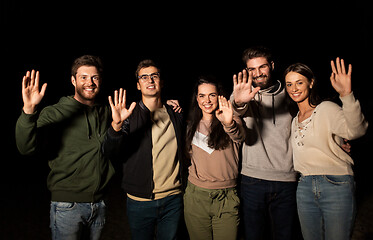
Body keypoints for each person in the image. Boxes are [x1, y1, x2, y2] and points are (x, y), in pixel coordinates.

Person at [15, 55, 115, 240]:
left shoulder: (107, 111)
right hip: (67, 205)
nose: (89, 83)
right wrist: (28, 111)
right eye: (83, 77)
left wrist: (166, 104)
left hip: (99, 203)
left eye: (94, 77)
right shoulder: (56, 112)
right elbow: (25, 148)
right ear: (73, 80)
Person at [284, 58, 368, 240]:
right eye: (289, 84)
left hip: (335, 184)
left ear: (311, 83)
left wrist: (347, 95)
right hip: (304, 186)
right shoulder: (294, 119)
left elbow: (356, 130)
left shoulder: (326, 108)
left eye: (299, 82)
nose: (294, 88)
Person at [102, 59, 185, 240]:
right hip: (140, 201)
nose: (150, 80)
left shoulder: (175, 112)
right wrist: (116, 126)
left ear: (161, 82)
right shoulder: (129, 116)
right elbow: (110, 151)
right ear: (138, 85)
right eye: (144, 77)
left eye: (154, 76)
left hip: (173, 198)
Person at [230, 46, 298, 239]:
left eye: (262, 67)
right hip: (252, 180)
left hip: (287, 179)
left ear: (272, 66)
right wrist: (239, 103)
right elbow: (230, 122)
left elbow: (309, 120)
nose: (258, 73)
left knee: (284, 235)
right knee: (253, 235)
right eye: (251, 69)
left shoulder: (291, 93)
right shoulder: (241, 94)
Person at [183, 76, 245, 240]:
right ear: (197, 98)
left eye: (212, 95)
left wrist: (228, 122)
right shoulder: (191, 125)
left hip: (226, 198)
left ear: (219, 96)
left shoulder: (231, 119)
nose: (207, 100)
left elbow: (240, 137)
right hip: (196, 197)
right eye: (202, 95)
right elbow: (188, 155)